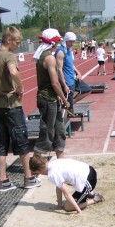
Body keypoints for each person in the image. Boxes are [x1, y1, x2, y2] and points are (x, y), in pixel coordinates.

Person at [0, 26, 40, 191]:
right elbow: (13, 72)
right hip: (11, 105)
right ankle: (28, 178)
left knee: (0, 143)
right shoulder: (9, 56)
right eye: (17, 42)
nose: (18, 45)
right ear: (8, 40)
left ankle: (3, 180)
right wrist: (20, 87)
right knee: (21, 140)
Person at [33, 28, 70, 158]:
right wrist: (64, 99)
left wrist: (58, 98)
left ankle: (61, 159)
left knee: (59, 129)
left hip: (51, 98)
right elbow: (54, 83)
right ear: (53, 42)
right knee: (47, 132)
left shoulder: (42, 56)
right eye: (57, 40)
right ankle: (35, 162)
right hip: (47, 98)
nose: (58, 43)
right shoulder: (49, 58)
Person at [29, 153, 104, 214]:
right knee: (67, 183)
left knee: (68, 207)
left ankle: (96, 199)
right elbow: (58, 186)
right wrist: (59, 205)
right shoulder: (54, 163)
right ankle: (90, 193)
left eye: (37, 173)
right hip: (89, 170)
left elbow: (67, 194)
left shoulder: (52, 174)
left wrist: (78, 211)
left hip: (88, 181)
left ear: (39, 170)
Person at [55, 31, 91, 111]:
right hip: (67, 82)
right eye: (71, 41)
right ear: (66, 40)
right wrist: (64, 85)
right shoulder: (61, 51)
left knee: (87, 89)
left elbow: (70, 64)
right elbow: (59, 69)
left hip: (73, 79)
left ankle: (72, 102)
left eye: (73, 41)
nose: (72, 43)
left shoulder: (68, 50)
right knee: (68, 110)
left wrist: (78, 72)